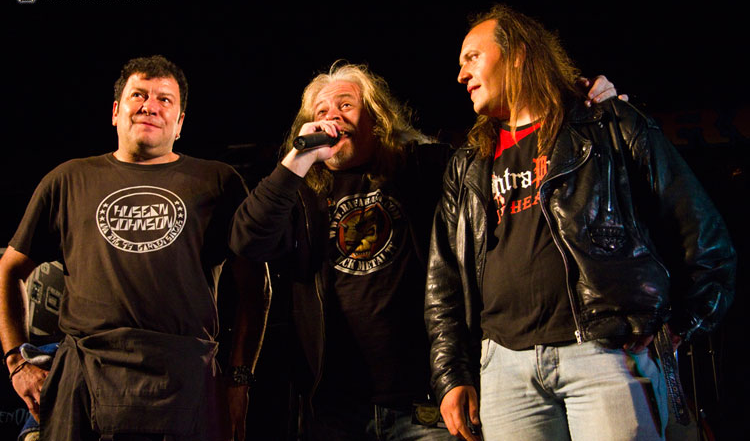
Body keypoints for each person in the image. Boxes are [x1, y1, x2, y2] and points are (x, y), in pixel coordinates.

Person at [230, 62, 616, 440]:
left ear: (376, 117)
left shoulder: (425, 166)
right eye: (321, 111)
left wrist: (572, 107)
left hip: (426, 404)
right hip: (333, 410)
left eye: (346, 105)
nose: (332, 117)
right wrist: (297, 160)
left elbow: (513, 164)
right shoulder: (298, 193)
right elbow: (247, 240)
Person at [424, 5, 737, 441]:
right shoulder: (468, 164)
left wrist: (681, 324)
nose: (461, 75)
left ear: (518, 54)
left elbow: (705, 237)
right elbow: (443, 280)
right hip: (504, 369)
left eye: (472, 57)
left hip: (604, 355)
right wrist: (451, 373)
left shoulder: (608, 124)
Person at [0, 55, 267, 441]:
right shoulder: (68, 179)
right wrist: (16, 362)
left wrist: (239, 380)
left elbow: (256, 287)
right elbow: (10, 269)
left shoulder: (218, 181)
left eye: (164, 99)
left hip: (186, 382)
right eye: (138, 95)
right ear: (115, 112)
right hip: (83, 377)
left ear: (180, 123)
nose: (150, 106)